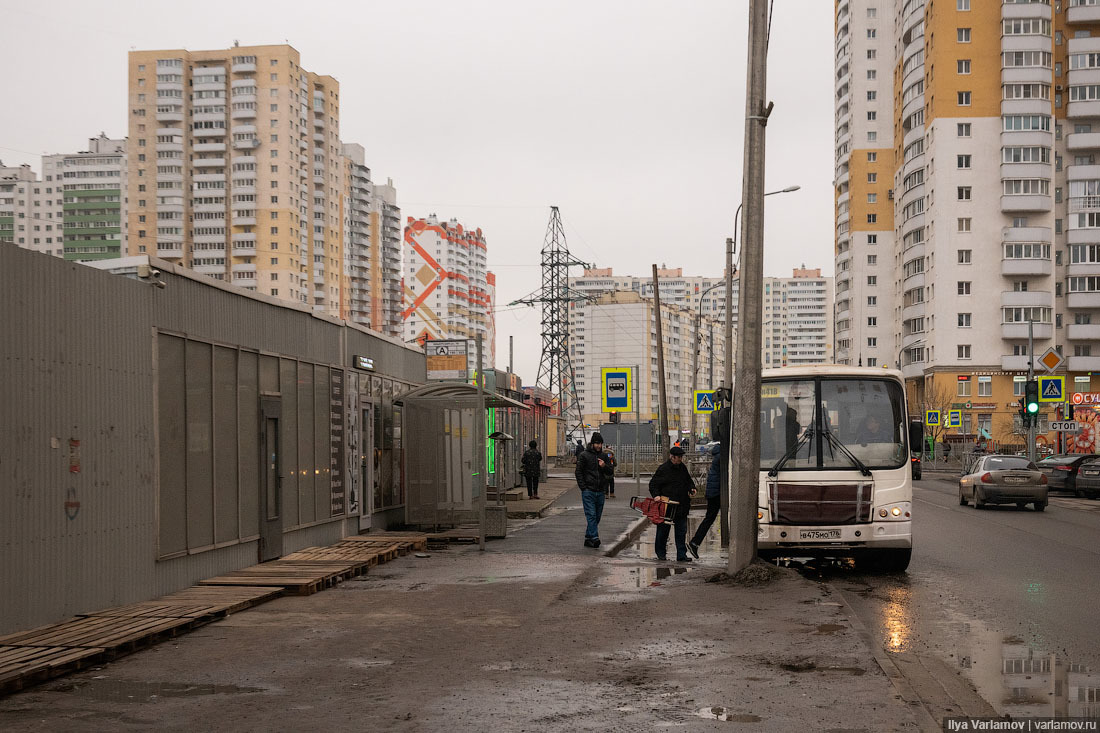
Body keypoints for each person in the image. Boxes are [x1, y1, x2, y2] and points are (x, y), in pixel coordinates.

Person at [649, 446, 696, 562]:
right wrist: (656, 495)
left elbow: (688, 481)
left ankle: (681, 555)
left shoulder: (682, 468)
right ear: (672, 457)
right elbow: (653, 484)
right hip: (667, 506)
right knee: (663, 531)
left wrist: (692, 488)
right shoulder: (663, 469)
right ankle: (661, 554)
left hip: (681, 505)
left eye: (681, 457)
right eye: (678, 457)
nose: (680, 459)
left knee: (681, 532)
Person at [575, 432, 613, 548]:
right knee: (591, 514)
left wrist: (604, 466)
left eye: (600, 443)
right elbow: (578, 472)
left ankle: (588, 537)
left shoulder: (604, 456)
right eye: (597, 443)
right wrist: (583, 487)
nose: (598, 446)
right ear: (592, 443)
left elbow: (610, 471)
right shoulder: (584, 455)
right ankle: (595, 537)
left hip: (600, 491)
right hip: (589, 490)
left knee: (597, 516)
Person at [687, 442, 722, 559]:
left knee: (709, 518)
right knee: (710, 518)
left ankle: (695, 543)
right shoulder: (721, 457)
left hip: (713, 492)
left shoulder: (718, 456)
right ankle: (694, 542)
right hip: (716, 493)